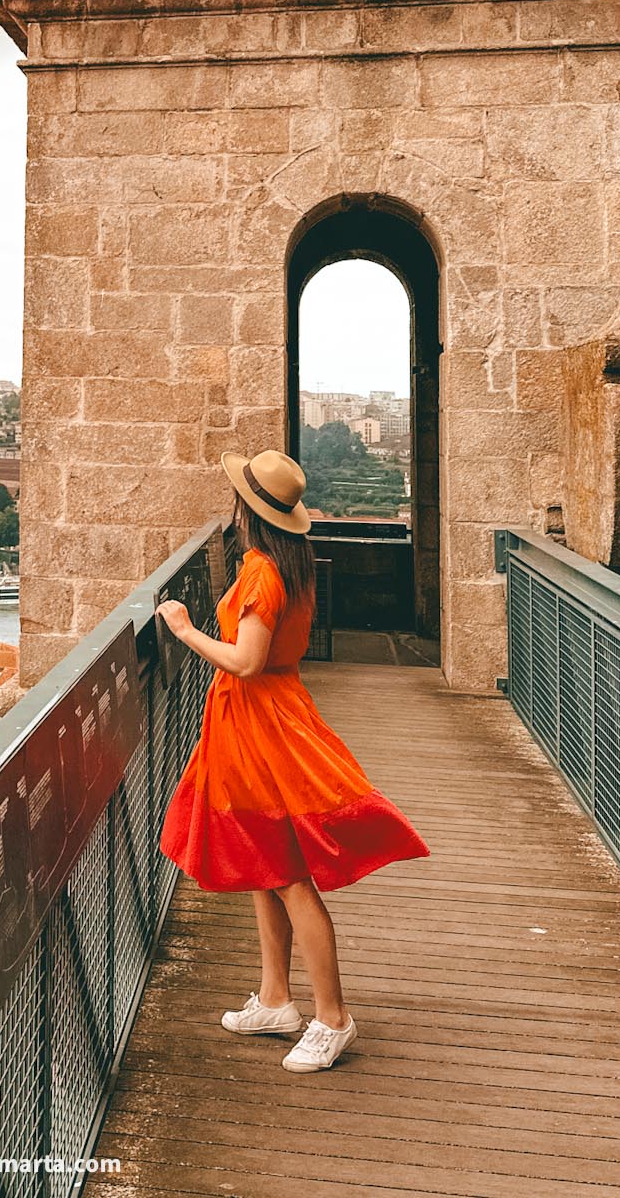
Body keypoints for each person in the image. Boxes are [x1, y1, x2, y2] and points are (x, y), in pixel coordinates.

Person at [156, 447, 428, 1072]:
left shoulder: (258, 573)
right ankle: (277, 998)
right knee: (262, 858)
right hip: (268, 713)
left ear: (244, 513)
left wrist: (184, 628)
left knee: (288, 876)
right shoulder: (292, 563)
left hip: (258, 721)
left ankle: (333, 1018)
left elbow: (246, 661)